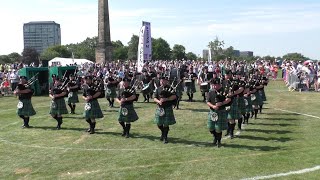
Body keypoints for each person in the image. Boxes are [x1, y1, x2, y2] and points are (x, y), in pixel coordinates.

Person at [206, 78, 230, 147]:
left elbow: (229, 99)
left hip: (221, 111)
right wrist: (213, 106)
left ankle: (218, 142)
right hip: (213, 111)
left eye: (215, 85)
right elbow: (207, 101)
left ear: (219, 84)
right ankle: (215, 137)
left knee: (218, 128)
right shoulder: (211, 92)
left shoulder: (224, 90)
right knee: (210, 127)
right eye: (213, 85)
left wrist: (222, 103)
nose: (214, 86)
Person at [153, 76, 177, 144]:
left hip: (167, 107)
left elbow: (174, 96)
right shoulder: (158, 89)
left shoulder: (170, 88)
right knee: (159, 123)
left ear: (166, 81)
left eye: (163, 81)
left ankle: (165, 137)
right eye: (161, 81)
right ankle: (163, 132)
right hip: (160, 108)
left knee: (166, 123)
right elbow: (154, 98)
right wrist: (158, 101)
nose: (162, 82)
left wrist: (167, 99)